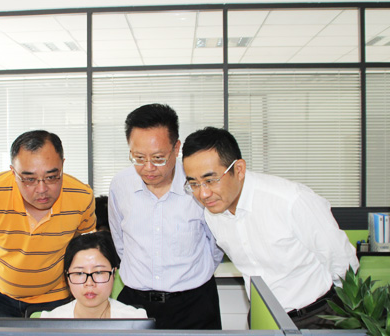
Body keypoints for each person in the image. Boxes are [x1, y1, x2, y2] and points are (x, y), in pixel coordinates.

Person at [181, 126, 360, 329]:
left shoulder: (290, 200)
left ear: (238, 170)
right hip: (263, 318)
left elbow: (343, 261)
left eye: (210, 180)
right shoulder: (213, 212)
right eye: (193, 184)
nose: (203, 194)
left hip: (318, 315)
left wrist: (339, 312)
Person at [0, 130, 96, 317]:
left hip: (56, 299)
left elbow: (79, 238)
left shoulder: (81, 196)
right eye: (29, 179)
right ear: (13, 172)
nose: (42, 189)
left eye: (52, 177)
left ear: (62, 165)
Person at [108, 104, 223, 330]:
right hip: (136, 305)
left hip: (194, 305)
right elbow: (120, 242)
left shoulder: (199, 185)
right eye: (138, 157)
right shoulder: (121, 185)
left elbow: (215, 244)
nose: (148, 167)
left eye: (158, 158)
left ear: (176, 148)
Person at [40, 231, 147, 319]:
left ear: (113, 273)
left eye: (99, 272)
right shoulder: (51, 321)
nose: (89, 283)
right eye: (79, 273)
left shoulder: (134, 319)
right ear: (67, 276)